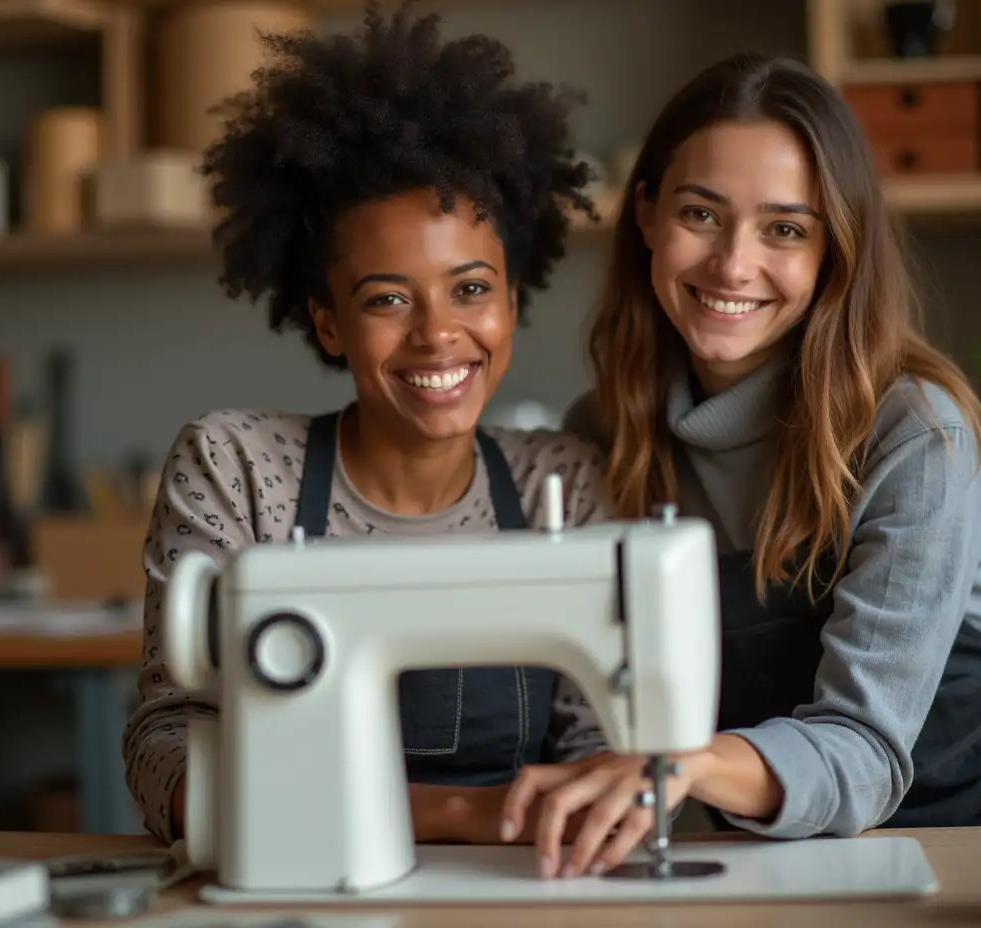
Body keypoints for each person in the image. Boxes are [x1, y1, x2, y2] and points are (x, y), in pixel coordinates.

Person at [122, 3, 657, 871]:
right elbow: (165, 751)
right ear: (328, 321)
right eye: (386, 299)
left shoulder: (566, 478)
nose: (438, 334)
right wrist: (460, 812)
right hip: (303, 881)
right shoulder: (237, 469)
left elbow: (607, 749)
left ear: (514, 303)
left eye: (471, 289)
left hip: (526, 886)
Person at [504, 51, 981, 868]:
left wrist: (678, 770)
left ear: (835, 249)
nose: (734, 264)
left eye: (785, 229)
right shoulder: (605, 432)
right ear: (648, 214)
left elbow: (865, 752)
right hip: (791, 849)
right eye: (701, 214)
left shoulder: (914, 433)